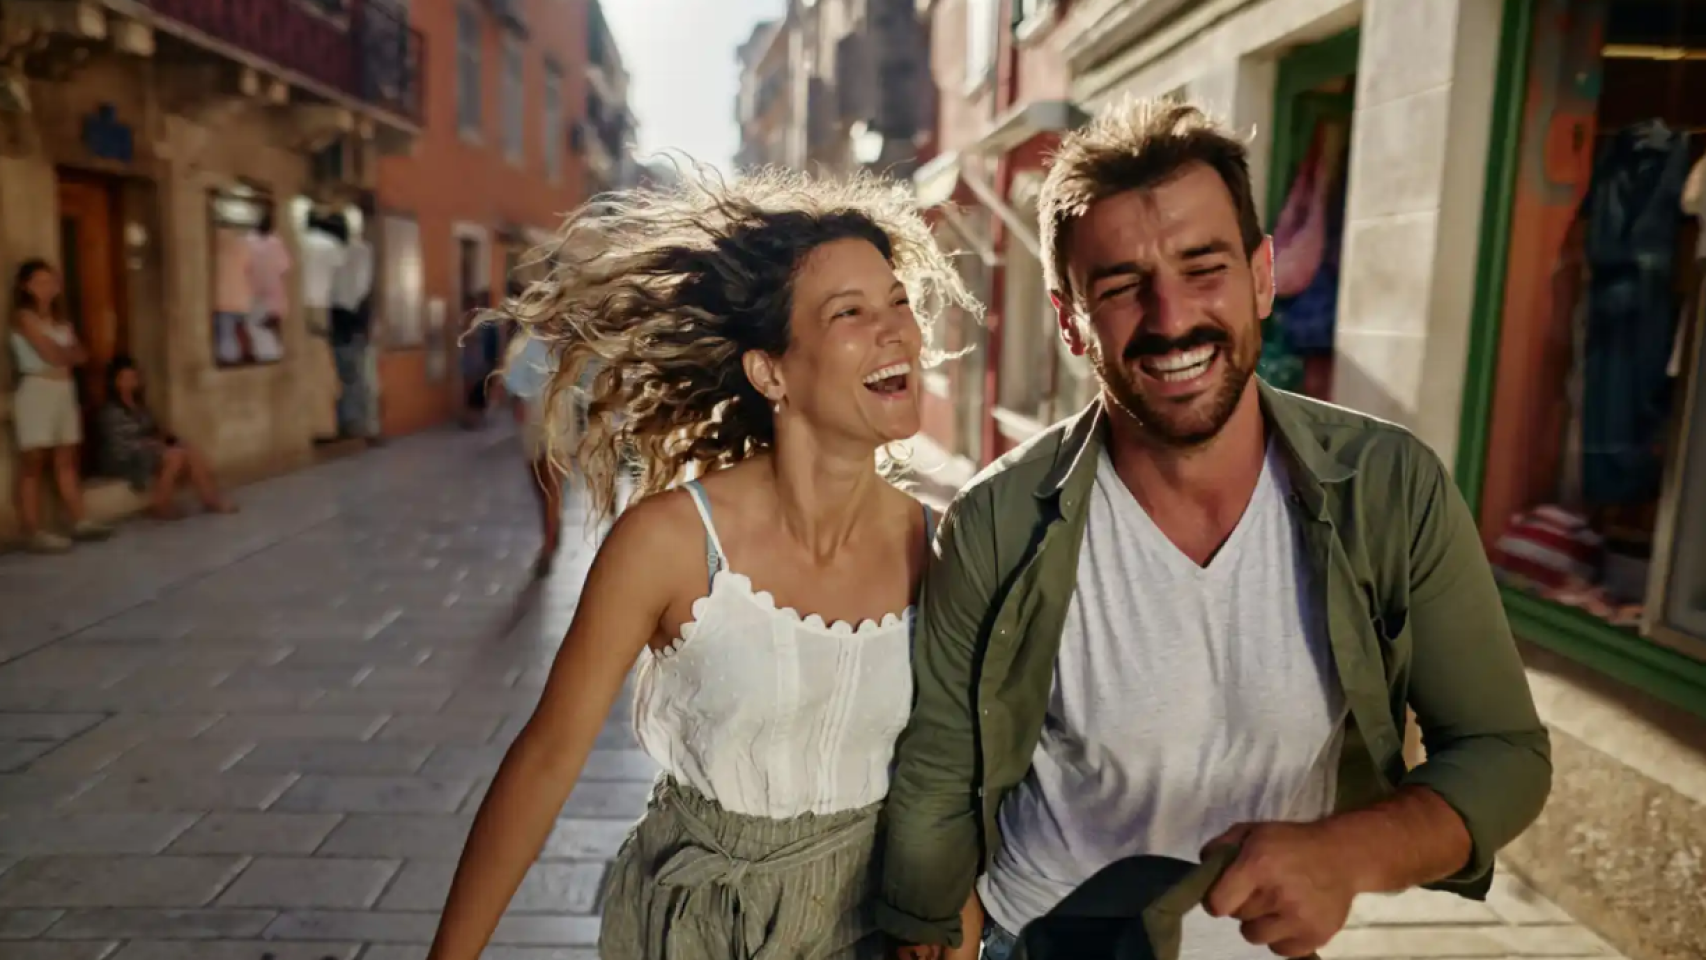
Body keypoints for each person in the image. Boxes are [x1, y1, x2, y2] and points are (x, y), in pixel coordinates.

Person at [878, 99, 1553, 960]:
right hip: (1043, 937)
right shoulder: (997, 520)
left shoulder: (1389, 488)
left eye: (1205, 269)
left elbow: (1502, 750)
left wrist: (1347, 855)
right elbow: (939, 768)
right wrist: (932, 929)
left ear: (1262, 275)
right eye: (1121, 286)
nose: (1170, 320)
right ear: (1069, 317)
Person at [424, 168, 982, 960]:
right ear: (771, 372)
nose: (897, 330)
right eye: (850, 312)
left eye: (897, 302)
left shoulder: (942, 547)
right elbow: (548, 757)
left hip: (874, 925)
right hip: (695, 923)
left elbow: (953, 779)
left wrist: (950, 921)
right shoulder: (670, 543)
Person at [8, 259, 112, 552]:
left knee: (66, 458)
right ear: (26, 286)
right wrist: (65, 353)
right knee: (33, 463)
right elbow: (52, 354)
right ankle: (33, 530)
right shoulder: (24, 317)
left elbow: (82, 355)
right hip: (36, 390)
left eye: (51, 281)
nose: (47, 288)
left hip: (64, 390)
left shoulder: (62, 321)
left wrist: (64, 353)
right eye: (40, 281)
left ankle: (80, 520)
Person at [95, 355, 236, 519]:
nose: (130, 382)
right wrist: (154, 445)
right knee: (174, 456)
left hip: (147, 450)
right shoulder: (110, 411)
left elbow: (154, 429)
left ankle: (210, 499)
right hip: (123, 458)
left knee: (188, 450)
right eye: (124, 378)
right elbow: (120, 446)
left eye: (132, 377)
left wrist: (168, 440)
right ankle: (161, 504)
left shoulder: (139, 405)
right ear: (115, 382)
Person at [329, 206, 378, 442]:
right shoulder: (360, 251)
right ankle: (361, 426)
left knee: (351, 377)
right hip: (354, 322)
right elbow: (363, 287)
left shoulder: (349, 253)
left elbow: (356, 288)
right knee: (359, 378)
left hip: (344, 322)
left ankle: (356, 425)